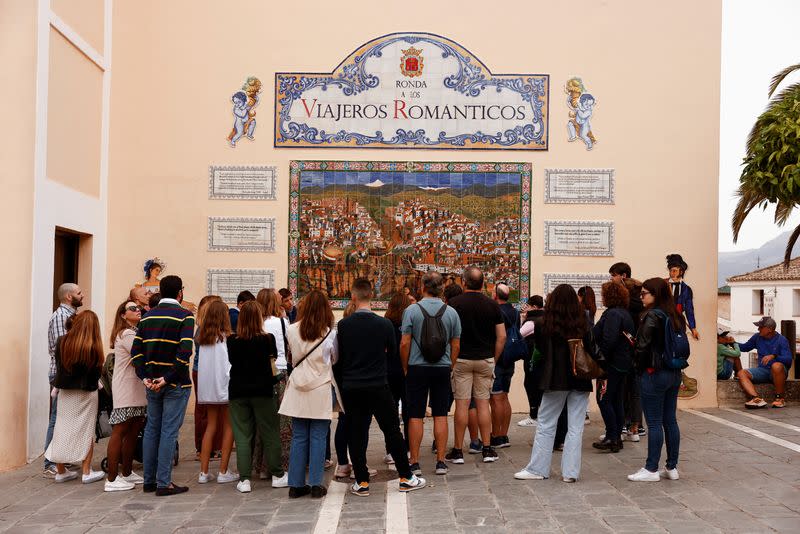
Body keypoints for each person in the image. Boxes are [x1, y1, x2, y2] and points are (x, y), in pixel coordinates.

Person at [336, 279, 426, 497]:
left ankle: (362, 481)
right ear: (372, 297)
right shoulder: (384, 325)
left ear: (353, 296)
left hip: (352, 386)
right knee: (392, 430)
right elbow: (393, 352)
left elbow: (340, 357)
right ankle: (406, 476)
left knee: (357, 433)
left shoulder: (344, 325)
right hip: (378, 383)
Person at [514, 284, 596, 483]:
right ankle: (570, 472)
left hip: (554, 378)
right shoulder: (583, 322)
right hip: (580, 378)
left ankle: (538, 469)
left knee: (546, 424)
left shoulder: (543, 323)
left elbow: (540, 349)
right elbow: (592, 347)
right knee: (575, 427)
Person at [131, 275, 194, 496]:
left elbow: (136, 352)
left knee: (151, 430)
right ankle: (163, 482)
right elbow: (184, 352)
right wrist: (167, 378)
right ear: (180, 293)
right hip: (174, 382)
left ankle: (150, 480)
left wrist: (145, 377)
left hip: (152, 382)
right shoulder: (185, 317)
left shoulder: (146, 317)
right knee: (168, 431)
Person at [400, 272, 461, 476]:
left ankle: (415, 462)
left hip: (417, 367)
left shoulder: (411, 310)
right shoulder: (451, 312)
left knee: (415, 415)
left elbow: (405, 342)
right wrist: (450, 365)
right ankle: (441, 461)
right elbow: (456, 344)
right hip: (442, 368)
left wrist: (405, 366)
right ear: (441, 288)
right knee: (440, 414)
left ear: (423, 286)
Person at [280, 289, 339, 498]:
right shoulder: (330, 333)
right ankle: (315, 483)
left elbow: (292, 355)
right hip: (321, 385)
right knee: (318, 436)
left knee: (299, 435)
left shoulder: (292, 329)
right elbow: (334, 359)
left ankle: (295, 485)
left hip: (298, 384)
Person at [227, 300, 288, 493]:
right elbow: (274, 359)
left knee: (243, 435)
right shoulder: (267, 339)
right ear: (259, 318)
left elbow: (232, 361)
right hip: (263, 390)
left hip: (238, 390)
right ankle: (277, 474)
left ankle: (244, 479)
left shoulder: (232, 340)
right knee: (270, 432)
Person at [447, 267, 506, 464]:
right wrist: (494, 358)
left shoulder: (454, 304)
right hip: (485, 359)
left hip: (461, 359)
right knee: (483, 404)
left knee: (462, 404)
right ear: (483, 283)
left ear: (464, 282)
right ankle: (487, 449)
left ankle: (457, 451)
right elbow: (502, 336)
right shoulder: (492, 305)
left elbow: (449, 335)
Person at [628, 278, 684, 482]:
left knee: (653, 422)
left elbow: (642, 347)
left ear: (656, 294)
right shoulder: (676, 315)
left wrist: (637, 367)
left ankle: (651, 468)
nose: (641, 297)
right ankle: (672, 467)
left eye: (644, 293)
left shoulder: (651, 315)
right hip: (673, 373)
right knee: (670, 420)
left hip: (653, 373)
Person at [45, 310, 105, 484]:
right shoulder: (92, 346)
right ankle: (86, 471)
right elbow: (95, 373)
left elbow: (59, 367)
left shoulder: (62, 342)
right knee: (86, 431)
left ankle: (61, 470)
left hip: (65, 392)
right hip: (86, 392)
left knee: (62, 428)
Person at [105, 301, 147, 492]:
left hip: (136, 388)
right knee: (121, 431)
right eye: (132, 308)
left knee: (133, 430)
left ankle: (128, 472)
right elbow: (141, 353)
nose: (137, 310)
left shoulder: (133, 331)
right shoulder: (127, 333)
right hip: (126, 388)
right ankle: (112, 478)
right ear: (123, 315)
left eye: (138, 308)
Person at [43, 283, 83, 478]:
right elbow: (63, 349)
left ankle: (60, 458)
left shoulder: (70, 315)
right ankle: (50, 462)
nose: (81, 295)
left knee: (63, 416)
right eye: (78, 293)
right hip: (61, 373)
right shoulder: (62, 317)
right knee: (57, 417)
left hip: (66, 373)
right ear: (69, 296)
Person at [196, 300, 237, 484]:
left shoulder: (203, 339)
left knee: (211, 426)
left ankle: (203, 472)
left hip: (208, 388)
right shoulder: (226, 338)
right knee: (229, 426)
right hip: (224, 386)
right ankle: (223, 470)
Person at [592, 282, 634, 453]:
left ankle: (611, 436)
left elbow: (608, 340)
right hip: (623, 364)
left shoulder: (612, 315)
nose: (601, 297)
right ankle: (616, 437)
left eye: (603, 294)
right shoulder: (625, 313)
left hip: (611, 365)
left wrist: (599, 359)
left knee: (603, 399)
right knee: (616, 400)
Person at [256, 288, 292, 476]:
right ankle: (281, 465)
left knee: (264, 422)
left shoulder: (256, 323)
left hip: (260, 374)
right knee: (282, 422)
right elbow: (289, 346)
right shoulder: (282, 322)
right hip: (279, 372)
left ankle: (262, 467)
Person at [609, 262, 645, 441]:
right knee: (635, 390)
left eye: (613, 275)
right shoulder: (641, 298)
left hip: (625, 350)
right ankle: (636, 428)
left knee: (623, 390)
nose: (611, 279)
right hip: (639, 350)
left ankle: (623, 426)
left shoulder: (625, 303)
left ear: (622, 276)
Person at [192, 296, 223, 461]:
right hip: (204, 371)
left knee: (209, 411)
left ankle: (212, 446)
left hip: (202, 371)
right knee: (205, 411)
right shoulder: (206, 329)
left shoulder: (204, 328)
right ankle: (204, 448)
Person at [736, 317, 792, 409]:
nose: (758, 329)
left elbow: (788, 360)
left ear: (769, 329)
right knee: (741, 373)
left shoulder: (782, 340)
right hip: (763, 370)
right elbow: (745, 347)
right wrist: (732, 343)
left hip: (778, 373)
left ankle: (780, 399)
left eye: (761, 327)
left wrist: (774, 356)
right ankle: (756, 399)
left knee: (776, 365)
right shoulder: (757, 337)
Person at [384, 291, 413, 463]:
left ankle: (391, 450)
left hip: (389, 371)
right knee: (409, 411)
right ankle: (408, 448)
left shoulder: (385, 324)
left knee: (390, 412)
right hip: (407, 370)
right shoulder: (410, 324)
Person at [490, 283, 517, 449]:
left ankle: (496, 435)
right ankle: (504, 434)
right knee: (505, 397)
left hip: (498, 359)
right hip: (510, 359)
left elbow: (499, 336)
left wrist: (493, 359)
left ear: (496, 295)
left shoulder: (495, 311)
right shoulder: (514, 311)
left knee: (496, 398)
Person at [518, 295, 544, 427]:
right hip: (543, 359)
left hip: (532, 359)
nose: (526, 308)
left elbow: (519, 335)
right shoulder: (545, 318)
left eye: (528, 306)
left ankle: (534, 416)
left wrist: (523, 319)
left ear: (534, 307)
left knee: (530, 384)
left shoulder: (531, 321)